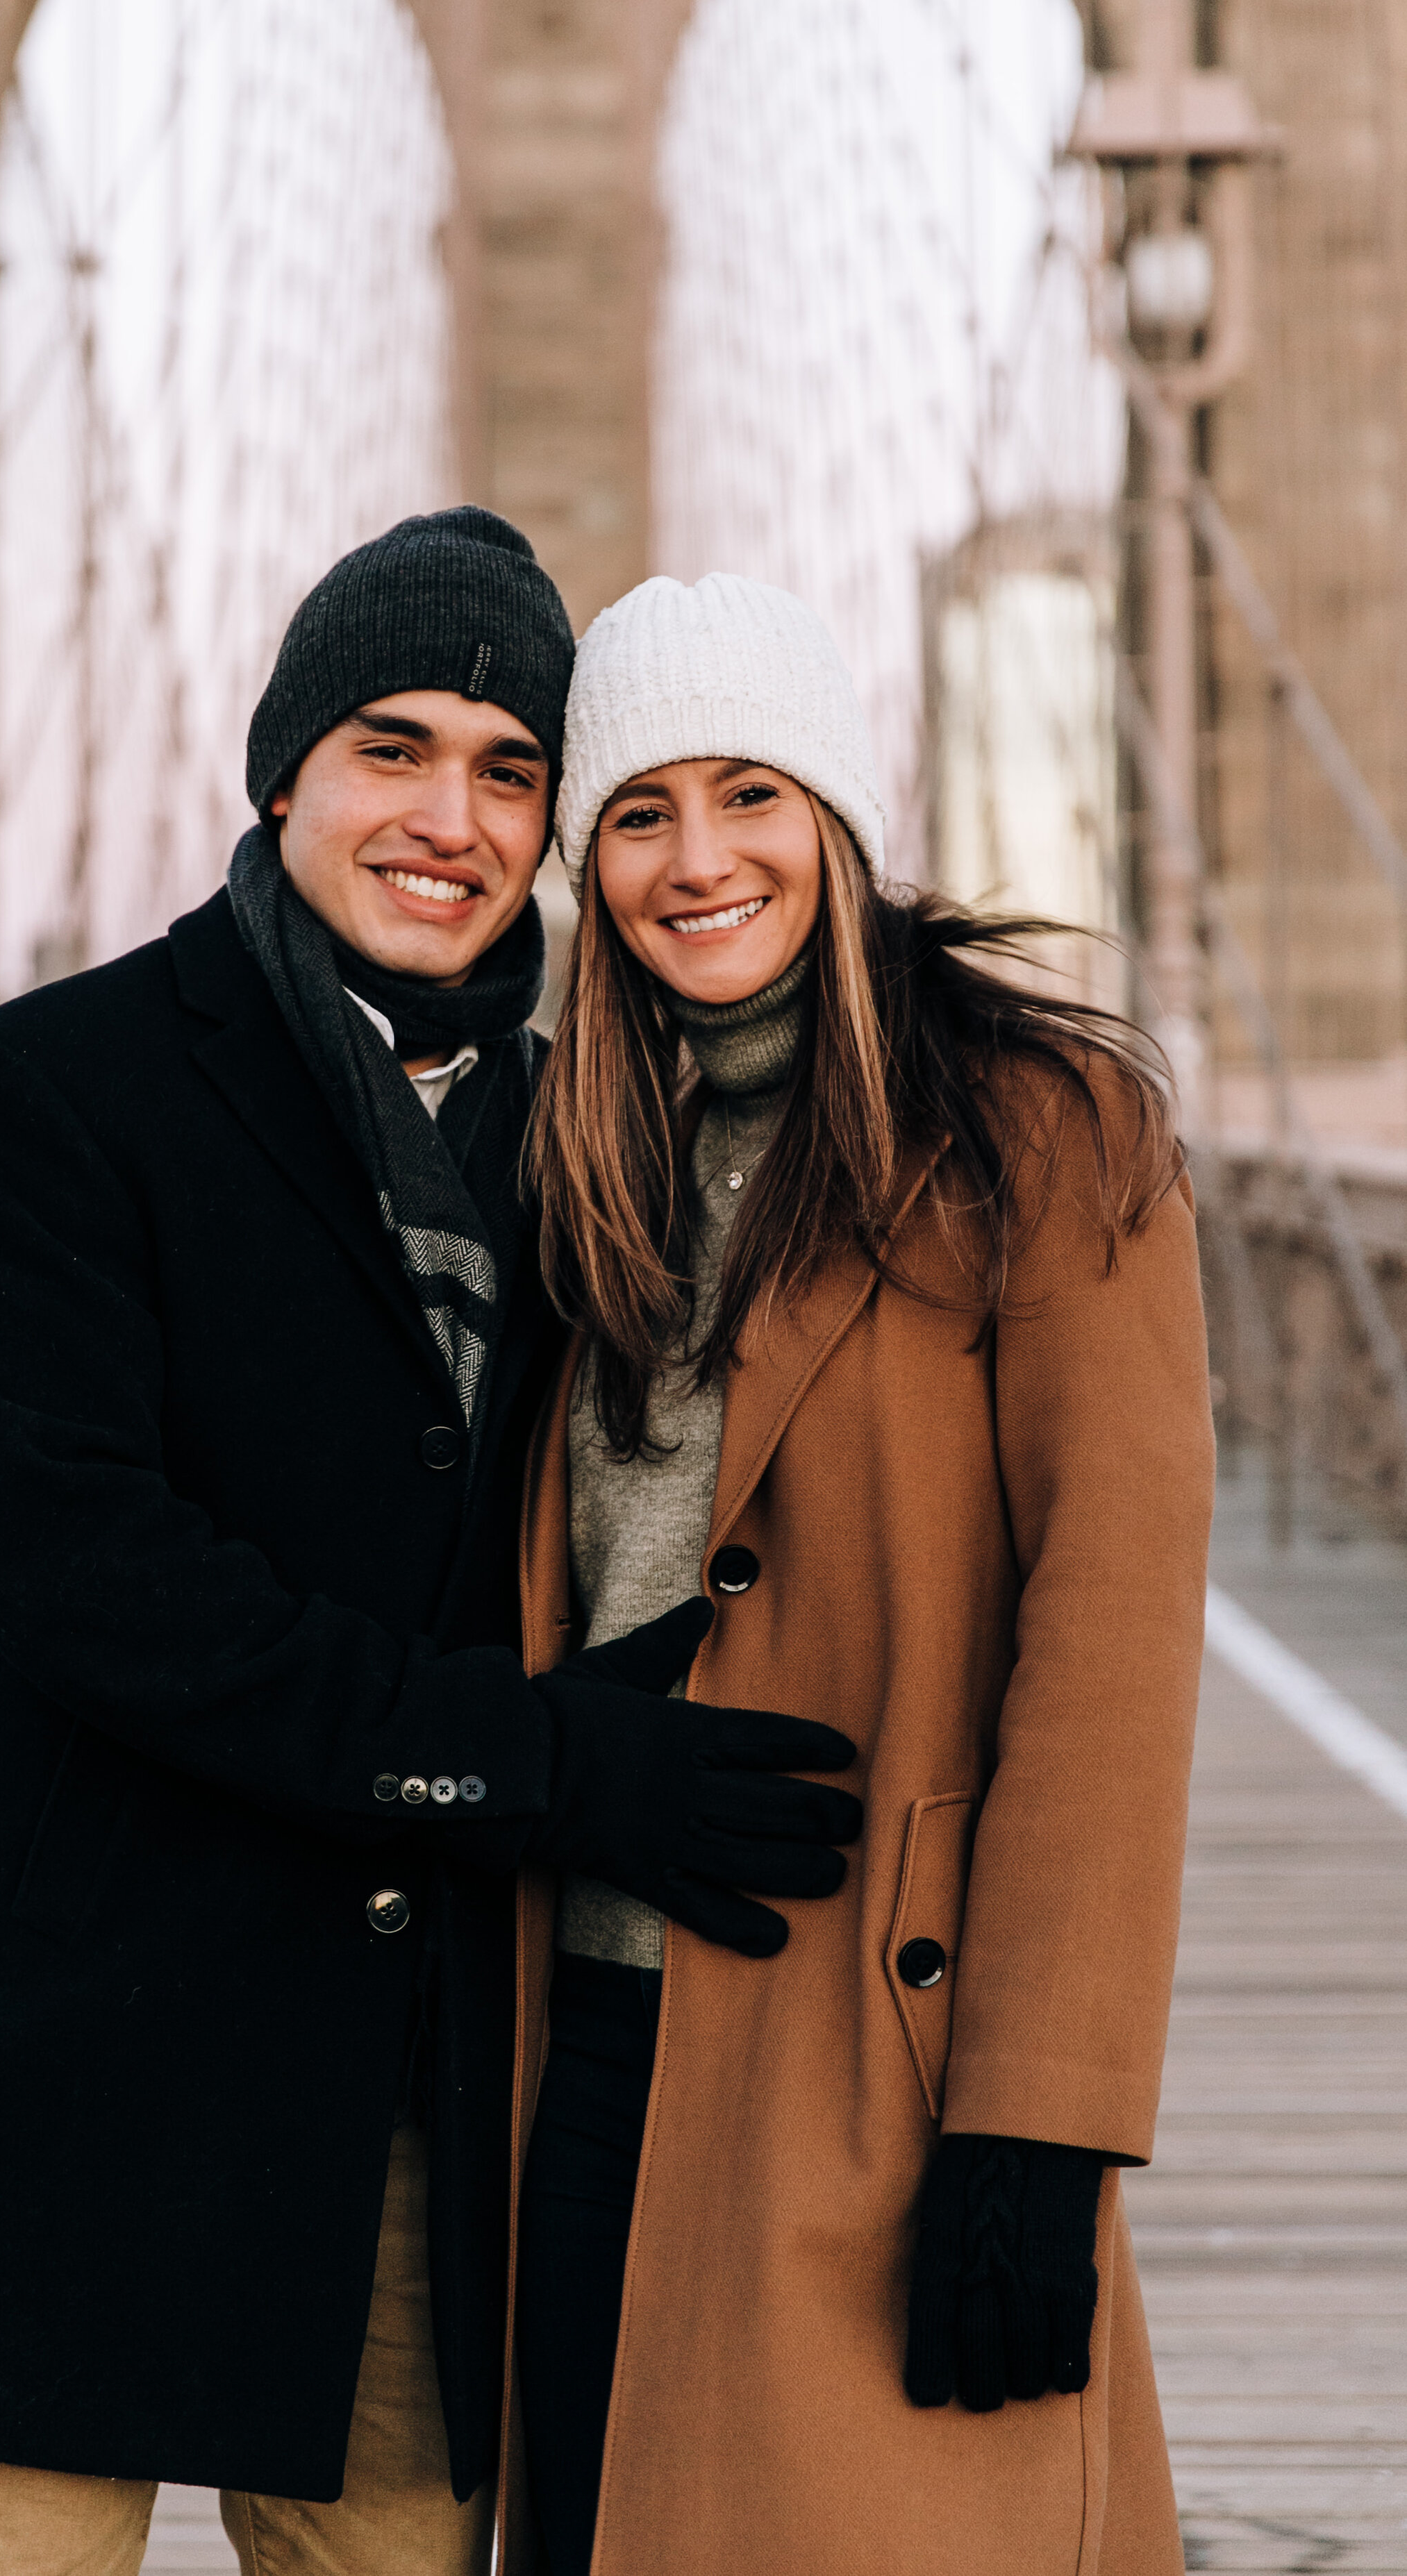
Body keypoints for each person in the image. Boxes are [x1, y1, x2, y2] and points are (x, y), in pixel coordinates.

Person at [0, 511, 855, 2576]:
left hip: (416, 2083)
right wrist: (547, 1765)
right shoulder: (45, 1093)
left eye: (507, 767)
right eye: (392, 747)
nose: (446, 818)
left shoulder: (600, 1144)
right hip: (81, 2055)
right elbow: (88, 1582)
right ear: (283, 765)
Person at [510, 571, 1215, 2576]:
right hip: (582, 2053)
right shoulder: (577, 1150)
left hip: (876, 2075)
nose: (696, 860)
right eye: (638, 812)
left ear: (833, 821)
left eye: (749, 794)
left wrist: (1039, 2120)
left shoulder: (1042, 1133)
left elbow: (1109, 1638)